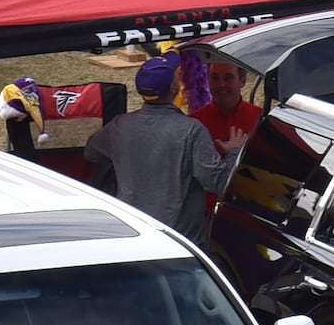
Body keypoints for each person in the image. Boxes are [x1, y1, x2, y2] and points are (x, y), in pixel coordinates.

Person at [84, 53, 245, 231]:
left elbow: (91, 152)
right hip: (179, 242)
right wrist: (235, 151)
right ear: (173, 87)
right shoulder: (191, 130)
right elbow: (218, 183)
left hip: (135, 231)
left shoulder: (119, 126)